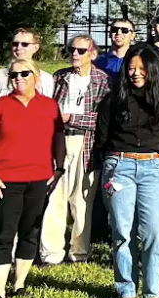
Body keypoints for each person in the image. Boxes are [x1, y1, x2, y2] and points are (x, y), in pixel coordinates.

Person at [94, 46, 159, 298]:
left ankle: (152, 291)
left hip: (153, 167)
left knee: (156, 229)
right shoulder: (113, 100)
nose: (135, 73)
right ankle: (126, 289)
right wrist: (110, 164)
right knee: (122, 230)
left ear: (152, 70)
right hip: (119, 166)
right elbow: (102, 139)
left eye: (142, 69)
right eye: (131, 68)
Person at [0, 59, 64, 298]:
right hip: (5, 181)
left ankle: (19, 284)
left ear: (35, 76)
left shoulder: (49, 106)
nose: (18, 78)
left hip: (39, 179)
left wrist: (59, 168)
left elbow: (59, 137)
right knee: (4, 234)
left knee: (30, 232)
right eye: (13, 74)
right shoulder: (0, 106)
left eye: (24, 73)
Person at [42, 36, 110, 266]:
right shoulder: (59, 77)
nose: (75, 54)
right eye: (71, 49)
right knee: (54, 197)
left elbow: (103, 120)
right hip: (58, 141)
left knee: (81, 200)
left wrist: (72, 118)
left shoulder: (103, 81)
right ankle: (51, 253)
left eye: (81, 50)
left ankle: (79, 252)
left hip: (87, 144)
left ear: (93, 54)